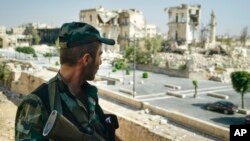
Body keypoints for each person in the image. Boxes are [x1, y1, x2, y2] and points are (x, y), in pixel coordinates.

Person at [15, 22, 118, 141]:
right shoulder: (36, 105)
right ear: (86, 59)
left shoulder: (89, 95)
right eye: (100, 56)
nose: (100, 62)